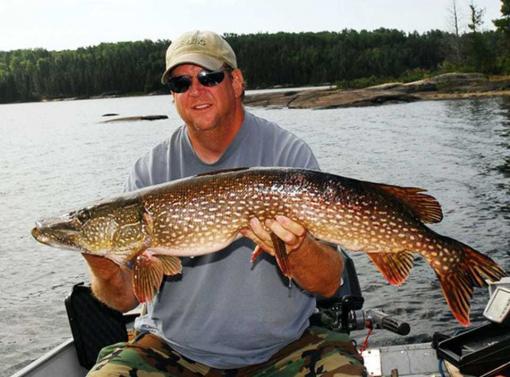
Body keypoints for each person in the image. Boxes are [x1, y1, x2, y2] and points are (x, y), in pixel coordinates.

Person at [84, 30, 366, 377]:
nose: (195, 90)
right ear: (172, 96)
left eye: (209, 77)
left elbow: (328, 283)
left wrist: (297, 249)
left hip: (285, 349)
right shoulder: (150, 172)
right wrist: (100, 259)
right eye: (180, 83)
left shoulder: (287, 155)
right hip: (175, 352)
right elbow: (126, 299)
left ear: (236, 82)